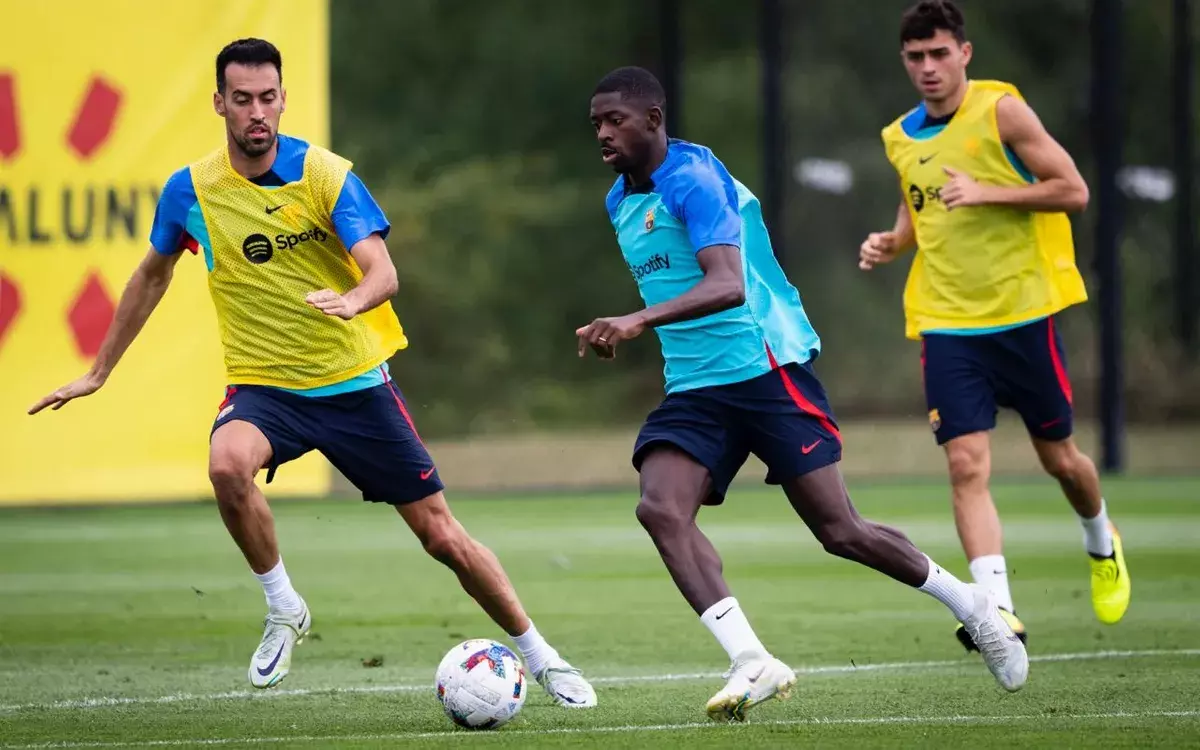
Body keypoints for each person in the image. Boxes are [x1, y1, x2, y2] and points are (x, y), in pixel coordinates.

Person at [28, 37, 596, 708]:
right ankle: (284, 606)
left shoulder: (325, 175)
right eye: (242, 100)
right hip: (266, 389)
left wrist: (353, 299)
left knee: (442, 536)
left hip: (356, 387)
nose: (257, 113)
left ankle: (542, 655)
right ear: (220, 104)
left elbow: (382, 269)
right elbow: (151, 275)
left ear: (283, 99)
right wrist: (99, 371)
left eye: (268, 98)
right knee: (225, 465)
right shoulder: (191, 191)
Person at [579, 65, 1027, 723]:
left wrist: (636, 321)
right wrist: (639, 324)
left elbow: (727, 284)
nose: (602, 133)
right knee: (660, 508)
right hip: (697, 389)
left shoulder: (695, 180)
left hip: (767, 371)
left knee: (840, 531)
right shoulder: (620, 200)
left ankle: (973, 606)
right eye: (595, 122)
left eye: (614, 119)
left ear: (653, 119)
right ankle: (752, 660)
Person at [858, 0, 1131, 651]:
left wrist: (990, 192)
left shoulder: (1001, 110)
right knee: (965, 465)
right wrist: (891, 244)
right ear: (905, 61)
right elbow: (917, 208)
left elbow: (1073, 190)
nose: (928, 67)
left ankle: (1101, 540)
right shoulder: (900, 136)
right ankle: (998, 612)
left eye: (939, 54)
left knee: (1061, 461)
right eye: (916, 57)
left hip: (1023, 317)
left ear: (964, 53)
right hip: (946, 324)